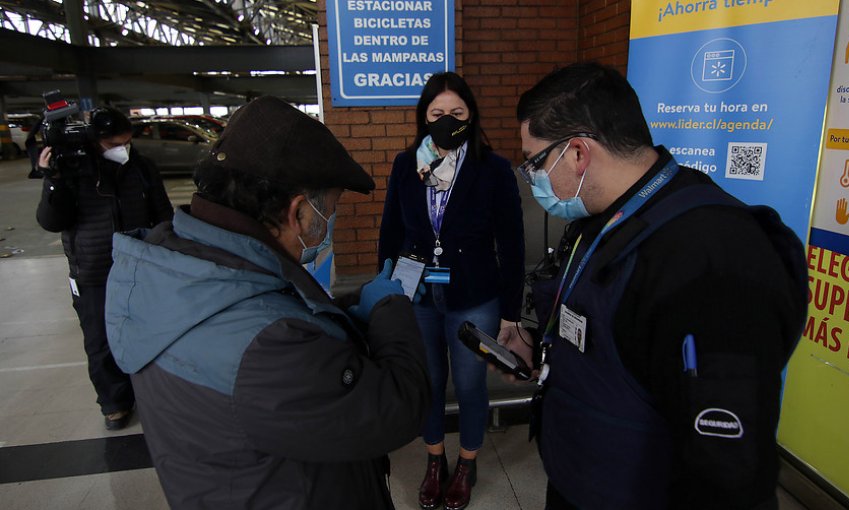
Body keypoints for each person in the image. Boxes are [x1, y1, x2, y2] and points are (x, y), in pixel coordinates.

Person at [498, 63, 807, 509]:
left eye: (535, 162)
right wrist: (539, 347)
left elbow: (728, 473)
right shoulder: (601, 218)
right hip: (582, 478)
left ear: (578, 152)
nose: (532, 179)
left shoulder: (713, 257)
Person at [104, 96, 430, 509]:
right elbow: (396, 409)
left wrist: (349, 312)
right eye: (329, 210)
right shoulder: (268, 348)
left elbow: (266, 310)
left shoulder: (168, 267)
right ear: (297, 212)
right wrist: (391, 310)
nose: (329, 223)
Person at [378, 72, 525, 510]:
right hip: (417, 292)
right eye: (437, 112)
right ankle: (435, 459)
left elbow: (512, 242)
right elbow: (391, 231)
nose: (446, 120)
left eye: (457, 113)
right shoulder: (407, 164)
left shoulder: (493, 168)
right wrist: (387, 292)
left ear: (471, 115)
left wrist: (511, 313)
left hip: (475, 295)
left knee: (469, 383)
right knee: (428, 382)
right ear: (424, 116)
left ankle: (466, 463)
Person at [35, 107, 173, 430]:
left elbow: (162, 213)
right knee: (100, 341)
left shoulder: (141, 167)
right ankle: (115, 403)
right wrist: (52, 181)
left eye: (126, 141)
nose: (122, 148)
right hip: (93, 271)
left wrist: (167, 250)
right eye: (114, 143)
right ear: (96, 141)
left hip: (139, 267)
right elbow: (51, 221)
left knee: (149, 333)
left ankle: (150, 394)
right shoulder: (73, 170)